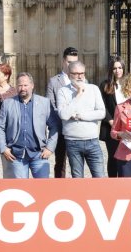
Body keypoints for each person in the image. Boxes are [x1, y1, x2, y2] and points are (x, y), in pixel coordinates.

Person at [0, 72, 59, 178]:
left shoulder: (45, 103)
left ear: (32, 85)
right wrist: (4, 148)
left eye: (25, 85)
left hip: (39, 154)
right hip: (16, 155)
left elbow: (54, 126)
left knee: (42, 188)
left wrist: (50, 148)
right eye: (20, 85)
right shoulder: (7, 103)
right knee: (21, 190)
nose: (22, 88)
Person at [57, 61, 106, 178]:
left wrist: (80, 116)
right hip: (72, 141)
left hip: (92, 141)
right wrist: (78, 95)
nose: (79, 76)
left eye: (82, 73)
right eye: (76, 73)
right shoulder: (63, 91)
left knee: (100, 177)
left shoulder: (93, 89)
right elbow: (63, 115)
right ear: (69, 74)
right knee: (77, 178)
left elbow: (101, 113)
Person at [46, 47, 79, 178]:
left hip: (77, 128)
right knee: (60, 163)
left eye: (75, 62)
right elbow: (50, 104)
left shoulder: (81, 80)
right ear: (63, 62)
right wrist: (65, 113)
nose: (72, 65)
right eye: (69, 62)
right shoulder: (54, 81)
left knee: (76, 163)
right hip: (60, 127)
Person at [99, 56, 128, 177]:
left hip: (128, 126)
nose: (118, 70)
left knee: (126, 156)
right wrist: (111, 121)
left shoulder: (130, 84)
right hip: (112, 127)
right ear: (111, 70)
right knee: (113, 156)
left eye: (120, 67)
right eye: (115, 68)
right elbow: (102, 105)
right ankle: (112, 180)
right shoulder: (105, 85)